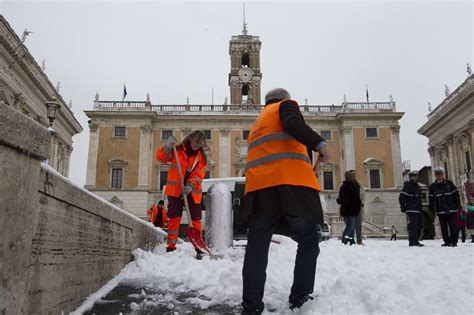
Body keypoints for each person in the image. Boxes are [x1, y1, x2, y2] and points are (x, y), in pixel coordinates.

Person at [241, 88, 330, 314]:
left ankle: (251, 306)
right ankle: (299, 298)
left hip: (259, 191)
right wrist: (320, 145)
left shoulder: (257, 124)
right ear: (284, 98)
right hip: (290, 188)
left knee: (256, 249)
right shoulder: (286, 106)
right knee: (309, 239)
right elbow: (293, 125)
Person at [156, 130, 207, 254]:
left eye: (200, 144)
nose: (197, 146)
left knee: (195, 220)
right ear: (190, 139)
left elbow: (199, 174)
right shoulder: (177, 150)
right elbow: (160, 158)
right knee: (174, 218)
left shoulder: (201, 157)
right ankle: (171, 246)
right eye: (196, 142)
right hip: (175, 190)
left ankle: (198, 246)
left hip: (192, 192)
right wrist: (168, 146)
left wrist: (190, 185)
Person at [428, 167, 461, 247]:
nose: (439, 176)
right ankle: (447, 241)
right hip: (440, 210)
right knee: (443, 228)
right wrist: (432, 209)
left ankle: (454, 241)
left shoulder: (449, 183)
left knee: (453, 227)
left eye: (440, 174)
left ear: (443, 175)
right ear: (435, 176)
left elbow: (456, 195)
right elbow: (431, 199)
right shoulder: (433, 187)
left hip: (451, 209)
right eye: (437, 174)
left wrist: (458, 205)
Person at [399, 170, 424, 247]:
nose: (416, 177)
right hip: (411, 209)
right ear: (411, 177)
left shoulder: (418, 187)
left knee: (420, 225)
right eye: (414, 176)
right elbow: (401, 197)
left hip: (418, 209)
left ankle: (416, 240)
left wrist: (420, 207)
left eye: (416, 176)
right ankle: (412, 241)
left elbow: (419, 198)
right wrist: (403, 207)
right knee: (413, 226)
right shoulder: (407, 186)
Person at [337, 171, 362, 245]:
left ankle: (351, 240)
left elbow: (340, 199)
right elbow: (355, 198)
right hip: (351, 209)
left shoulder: (344, 186)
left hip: (347, 209)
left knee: (351, 225)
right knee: (351, 225)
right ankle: (344, 238)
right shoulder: (351, 186)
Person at [350, 169, 365, 245]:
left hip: (358, 207)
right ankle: (351, 240)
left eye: (354, 174)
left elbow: (362, 194)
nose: (354, 175)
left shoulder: (359, 184)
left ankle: (359, 241)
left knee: (359, 224)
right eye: (352, 174)